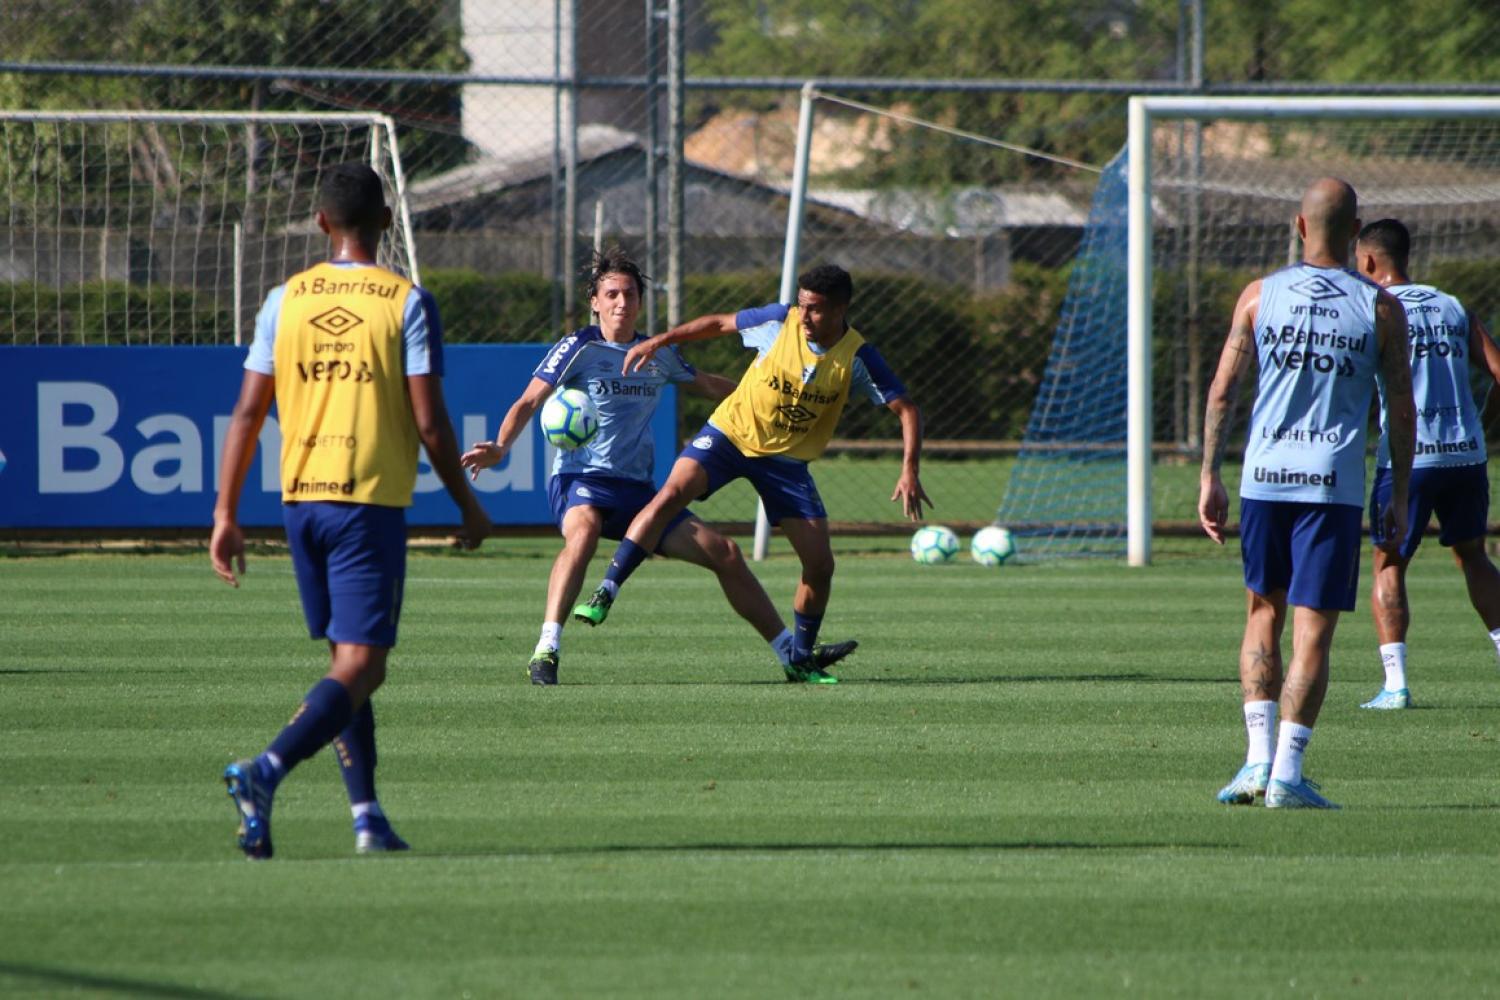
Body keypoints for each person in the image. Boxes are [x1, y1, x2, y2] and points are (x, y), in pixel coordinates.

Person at [210, 162, 491, 859]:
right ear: (388, 222)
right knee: (363, 664)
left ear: (320, 222)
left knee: (352, 666)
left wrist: (224, 513)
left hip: (301, 501)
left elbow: (248, 411)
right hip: (366, 499)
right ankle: (264, 770)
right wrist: (468, 504)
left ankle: (366, 817)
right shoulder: (405, 301)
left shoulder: (285, 298)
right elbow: (430, 423)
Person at [461, 248, 856, 685]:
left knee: (725, 553)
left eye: (629, 294)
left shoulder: (656, 354)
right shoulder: (579, 347)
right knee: (585, 531)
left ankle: (788, 654)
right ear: (595, 301)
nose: (621, 302)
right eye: (611, 294)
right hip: (581, 478)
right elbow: (529, 400)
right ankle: (547, 648)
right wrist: (500, 446)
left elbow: (707, 385)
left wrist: (771, 399)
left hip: (637, 492)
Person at [569, 263, 930, 680]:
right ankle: (606, 591)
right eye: (801, 304)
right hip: (730, 435)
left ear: (840, 309)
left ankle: (800, 658)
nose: (804, 316)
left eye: (814, 309)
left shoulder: (858, 356)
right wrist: (663, 340)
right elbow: (719, 323)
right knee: (669, 495)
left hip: (787, 464)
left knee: (820, 566)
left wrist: (909, 470)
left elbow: (906, 409)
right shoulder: (780, 320)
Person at [1198, 177, 1415, 810]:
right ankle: (1288, 775)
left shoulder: (1260, 294)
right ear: (1356, 234)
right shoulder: (1378, 307)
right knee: (1313, 631)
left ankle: (1254, 764)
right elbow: (1400, 409)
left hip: (1264, 478)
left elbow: (1221, 390)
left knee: (1261, 613)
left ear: (1298, 226)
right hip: (1332, 484)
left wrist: (1209, 473)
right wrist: (1400, 493)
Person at [1354, 218, 1500, 709]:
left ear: (1370, 260)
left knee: (1389, 561)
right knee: (1474, 556)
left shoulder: (1375, 308)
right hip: (1465, 453)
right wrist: (1483, 421)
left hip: (1408, 459)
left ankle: (1395, 684)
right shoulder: (1452, 305)